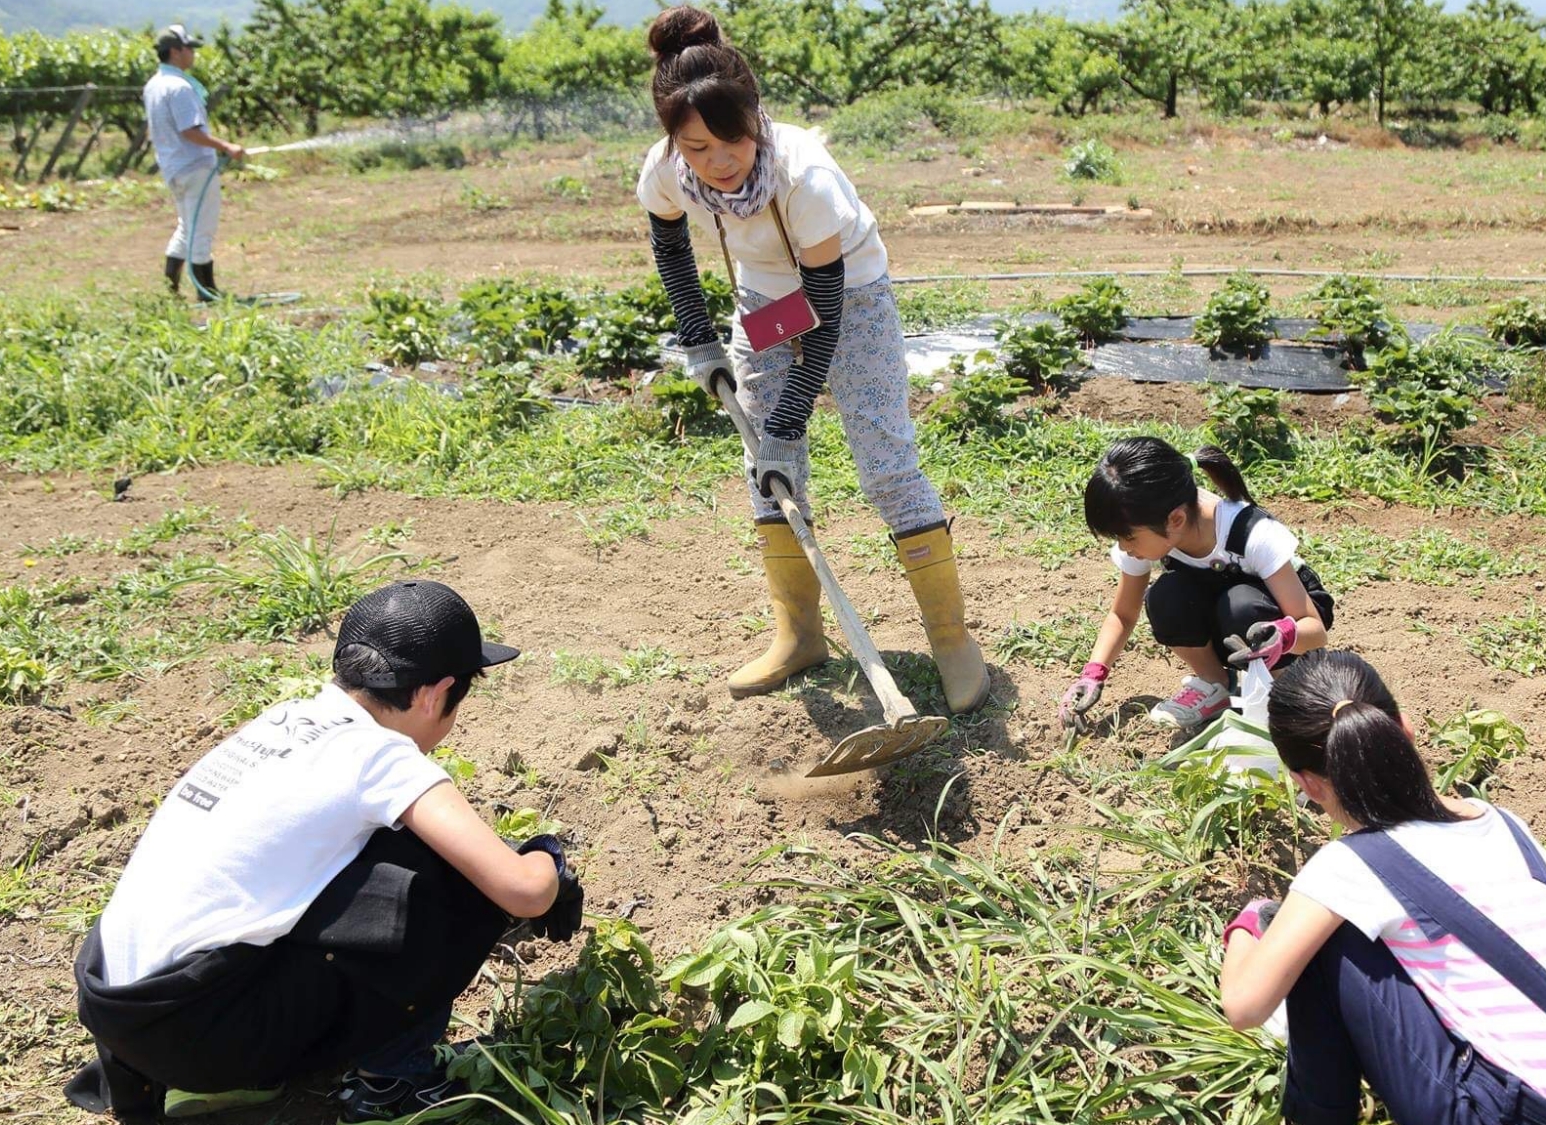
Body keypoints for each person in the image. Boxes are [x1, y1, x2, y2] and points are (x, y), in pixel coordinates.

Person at [66, 581, 585, 1124]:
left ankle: (213, 1084)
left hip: (122, 1011)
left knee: (372, 855)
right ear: (437, 694)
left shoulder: (283, 721)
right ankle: (394, 1081)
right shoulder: (378, 754)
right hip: (197, 1035)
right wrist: (547, 858)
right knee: (448, 881)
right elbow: (520, 890)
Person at [634, 6, 989, 713]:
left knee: (885, 462)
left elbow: (822, 316)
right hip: (764, 303)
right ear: (676, 140)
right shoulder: (666, 170)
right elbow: (671, 249)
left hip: (848, 298)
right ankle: (799, 635)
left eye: (731, 140)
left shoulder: (806, 178)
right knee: (766, 471)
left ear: (755, 119)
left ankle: (952, 638)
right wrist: (699, 339)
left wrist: (790, 417)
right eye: (698, 148)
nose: (719, 162)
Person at [1218, 650, 1546, 1125]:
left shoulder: (1348, 865)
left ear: (1307, 784)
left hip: (1517, 1116)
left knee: (1323, 938)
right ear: (1405, 730)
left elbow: (1244, 1008)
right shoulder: (1500, 822)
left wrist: (1247, 923)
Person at [1058, 436, 1333, 735]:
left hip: (1285, 622)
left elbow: (1315, 630)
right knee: (1166, 597)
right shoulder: (1150, 525)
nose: (1124, 549)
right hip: (1222, 612)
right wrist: (1093, 674)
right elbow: (1122, 615)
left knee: (1242, 606)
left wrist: (1283, 636)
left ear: (1175, 519)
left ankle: (1286, 691)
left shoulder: (1252, 533)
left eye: (1128, 538)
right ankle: (1216, 687)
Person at [142, 24, 245, 300]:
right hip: (195, 167)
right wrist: (226, 146)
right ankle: (207, 294)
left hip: (173, 167)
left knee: (186, 227)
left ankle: (171, 290)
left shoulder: (154, 85)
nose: (193, 54)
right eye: (189, 49)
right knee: (202, 229)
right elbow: (189, 130)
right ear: (175, 52)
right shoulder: (179, 88)